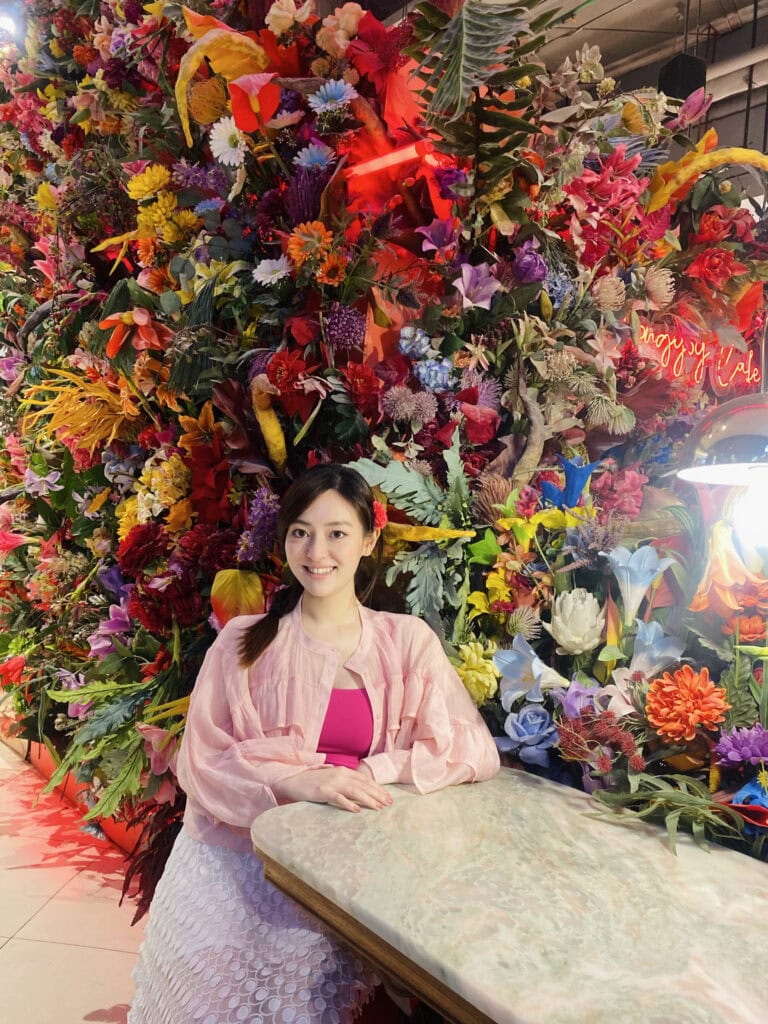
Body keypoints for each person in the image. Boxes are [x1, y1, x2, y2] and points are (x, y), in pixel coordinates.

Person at [129, 464, 500, 1024]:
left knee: (297, 1003)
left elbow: (472, 750)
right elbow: (202, 761)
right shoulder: (243, 643)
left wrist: (374, 771)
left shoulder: (406, 642)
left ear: (369, 540)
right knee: (207, 1000)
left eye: (337, 533)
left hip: (343, 867)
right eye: (301, 532)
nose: (316, 551)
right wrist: (297, 780)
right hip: (234, 857)